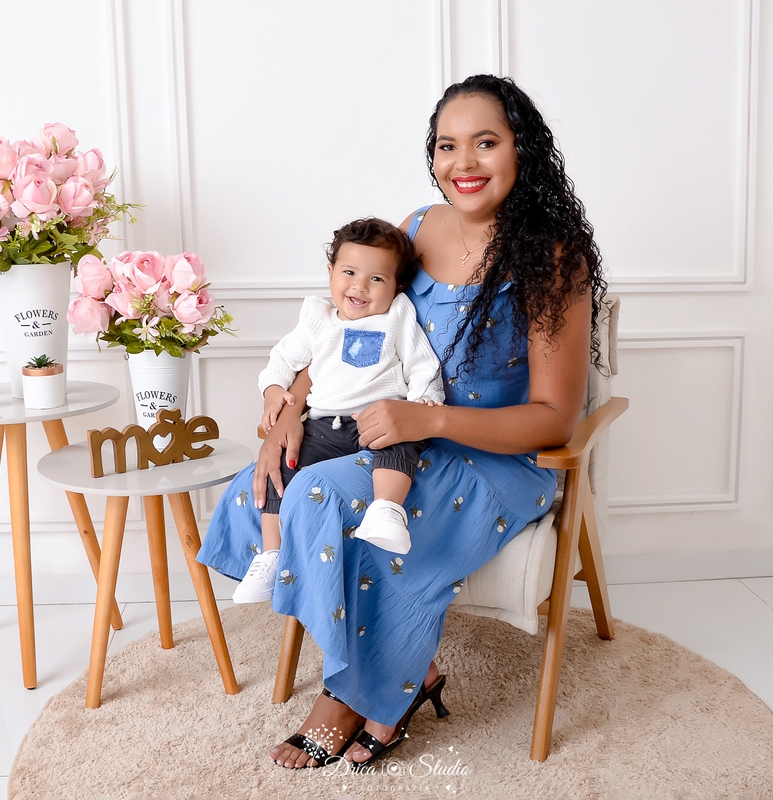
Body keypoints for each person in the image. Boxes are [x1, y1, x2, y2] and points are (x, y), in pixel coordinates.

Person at [197, 74, 607, 771]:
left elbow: (554, 418)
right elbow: (353, 325)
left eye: (486, 142)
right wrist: (290, 411)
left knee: (322, 498)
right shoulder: (417, 226)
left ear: (523, 149)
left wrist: (427, 416)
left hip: (494, 457)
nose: (464, 163)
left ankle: (355, 694)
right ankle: (411, 670)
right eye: (448, 145)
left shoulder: (552, 257)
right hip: (390, 436)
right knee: (258, 486)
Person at [230, 218, 446, 604]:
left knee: (398, 448)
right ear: (330, 274)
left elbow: (421, 364)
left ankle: (386, 511)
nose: (360, 286)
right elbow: (283, 358)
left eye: (377, 279)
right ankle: (271, 554)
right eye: (349, 272)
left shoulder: (397, 315)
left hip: (379, 418)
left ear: (397, 285)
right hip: (322, 425)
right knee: (284, 466)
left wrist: (424, 403)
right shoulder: (317, 317)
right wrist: (274, 390)